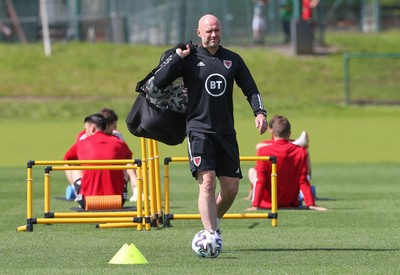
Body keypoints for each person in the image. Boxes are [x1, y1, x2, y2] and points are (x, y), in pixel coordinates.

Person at [153, 14, 268, 235]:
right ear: (199, 33)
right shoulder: (188, 57)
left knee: (231, 188)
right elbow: (159, 81)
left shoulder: (233, 59)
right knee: (207, 183)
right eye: (209, 31)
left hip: (225, 132)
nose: (213, 34)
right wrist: (177, 57)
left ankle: (212, 223)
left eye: (216, 30)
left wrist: (260, 112)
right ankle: (210, 234)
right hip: (198, 130)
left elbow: (251, 90)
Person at [246, 115, 326, 211]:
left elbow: (261, 180)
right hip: (290, 202)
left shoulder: (263, 151)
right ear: (289, 134)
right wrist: (311, 204)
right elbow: (303, 180)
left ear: (272, 132)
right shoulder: (301, 151)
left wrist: (255, 205)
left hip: (267, 203)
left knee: (253, 172)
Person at [65, 108, 139, 202]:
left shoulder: (82, 142)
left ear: (92, 128)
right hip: (118, 199)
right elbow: (129, 158)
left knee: (73, 163)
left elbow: (67, 159)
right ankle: (136, 191)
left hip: (88, 201)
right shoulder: (118, 142)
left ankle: (78, 192)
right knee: (127, 163)